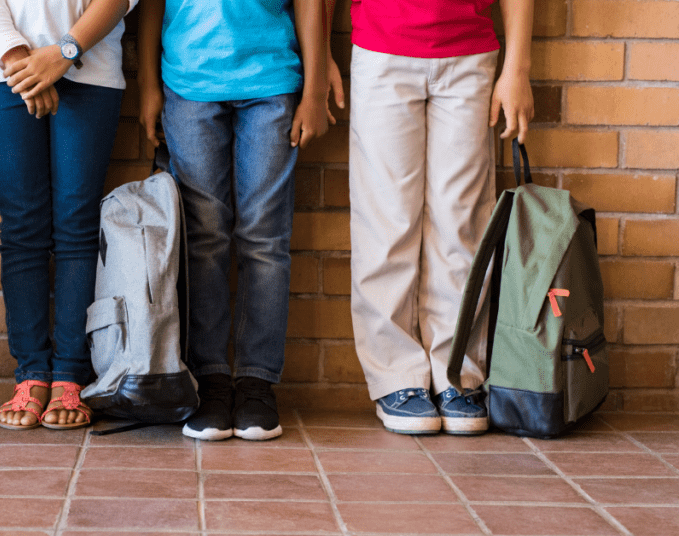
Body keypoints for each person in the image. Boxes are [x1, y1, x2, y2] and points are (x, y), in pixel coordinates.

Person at [333, 0, 535, 435]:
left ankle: (456, 374)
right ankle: (396, 377)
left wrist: (517, 66)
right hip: (382, 50)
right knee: (386, 221)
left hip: (470, 52)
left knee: (461, 223)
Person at [138, 0, 332, 441]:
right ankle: (210, 378)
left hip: (272, 81)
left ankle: (256, 381)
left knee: (265, 238)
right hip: (188, 83)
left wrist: (315, 90)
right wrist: (148, 84)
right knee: (203, 238)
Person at [0, 0, 136, 430]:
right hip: (5, 73)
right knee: (23, 227)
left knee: (78, 226)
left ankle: (70, 374)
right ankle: (32, 373)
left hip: (90, 68)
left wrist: (62, 53)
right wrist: (20, 61)